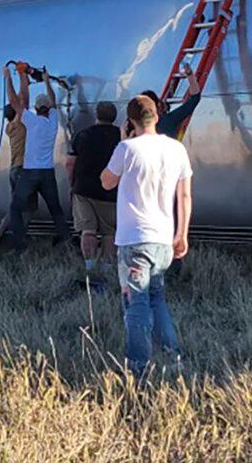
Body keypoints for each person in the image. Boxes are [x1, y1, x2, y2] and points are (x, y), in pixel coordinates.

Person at [100, 95, 192, 375]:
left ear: (130, 122)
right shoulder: (177, 149)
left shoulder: (126, 148)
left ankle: (138, 367)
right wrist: (182, 234)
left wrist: (121, 139)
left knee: (135, 302)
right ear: (157, 116)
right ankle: (171, 356)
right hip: (163, 238)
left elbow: (106, 182)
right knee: (157, 298)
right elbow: (185, 194)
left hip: (134, 239)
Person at [5, 64, 72, 249]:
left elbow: (14, 101)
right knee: (55, 208)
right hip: (47, 173)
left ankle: (19, 245)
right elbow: (52, 100)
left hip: (29, 172)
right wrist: (47, 80)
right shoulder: (53, 122)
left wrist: (7, 77)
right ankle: (65, 241)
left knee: (16, 208)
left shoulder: (31, 120)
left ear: (35, 107)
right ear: (49, 108)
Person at [65, 101, 121, 280]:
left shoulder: (83, 135)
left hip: (84, 190)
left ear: (97, 115)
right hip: (111, 191)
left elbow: (70, 163)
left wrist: (71, 184)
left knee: (87, 230)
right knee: (109, 232)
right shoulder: (121, 137)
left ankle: (90, 267)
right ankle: (107, 268)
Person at [0, 70, 36, 240]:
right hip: (23, 171)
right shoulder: (19, 124)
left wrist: (24, 79)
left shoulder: (10, 127)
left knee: (18, 206)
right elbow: (23, 100)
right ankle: (18, 239)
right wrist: (18, 75)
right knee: (24, 209)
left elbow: (20, 100)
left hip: (16, 170)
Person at [130, 63, 202, 140]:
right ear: (157, 105)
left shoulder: (134, 128)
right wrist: (190, 75)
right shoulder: (169, 121)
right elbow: (195, 98)